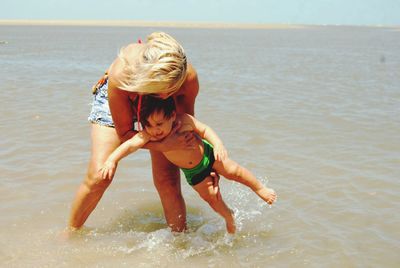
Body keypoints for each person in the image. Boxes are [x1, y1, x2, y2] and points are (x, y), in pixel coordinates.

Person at [68, 32, 219, 232]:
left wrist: (206, 165)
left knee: (168, 180)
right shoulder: (122, 75)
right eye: (162, 90)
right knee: (99, 175)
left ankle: (180, 244)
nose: (166, 95)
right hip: (124, 94)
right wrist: (163, 145)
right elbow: (125, 135)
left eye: (172, 90)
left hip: (158, 111)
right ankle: (70, 233)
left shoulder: (186, 79)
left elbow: (186, 130)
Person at [100, 96, 277, 233]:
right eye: (149, 125)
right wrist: (112, 160)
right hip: (194, 172)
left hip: (208, 155)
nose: (155, 129)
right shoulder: (150, 134)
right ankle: (228, 216)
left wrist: (218, 145)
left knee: (234, 171)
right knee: (211, 197)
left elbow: (205, 130)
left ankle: (259, 188)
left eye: (160, 124)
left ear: (171, 116)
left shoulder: (183, 120)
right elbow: (129, 145)